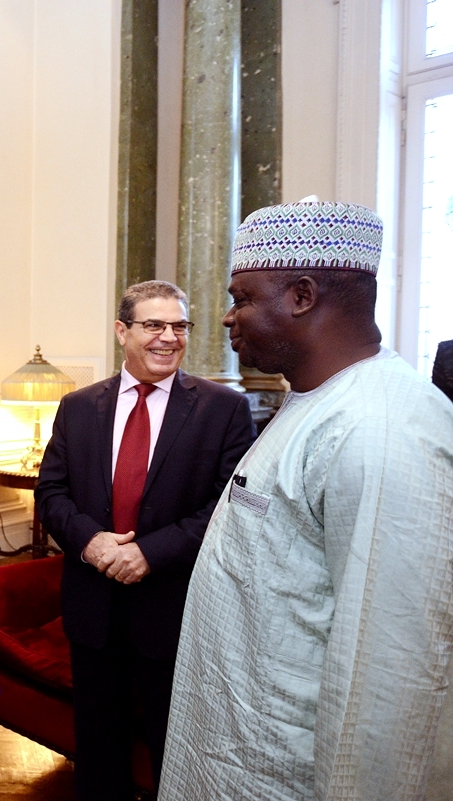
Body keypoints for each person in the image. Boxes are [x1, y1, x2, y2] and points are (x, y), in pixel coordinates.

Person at [161, 200, 453, 800]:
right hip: (243, 750)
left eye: (242, 297)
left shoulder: (383, 428)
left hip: (289, 774)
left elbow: (392, 675)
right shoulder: (317, 401)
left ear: (301, 294)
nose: (225, 317)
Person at [34, 280, 255, 800]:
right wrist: (91, 543)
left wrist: (148, 554)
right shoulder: (78, 406)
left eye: (179, 326)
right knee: (98, 749)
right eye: (154, 325)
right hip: (94, 609)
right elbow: (51, 492)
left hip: (175, 611)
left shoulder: (223, 409)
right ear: (122, 331)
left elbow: (229, 508)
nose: (169, 338)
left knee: (173, 750)